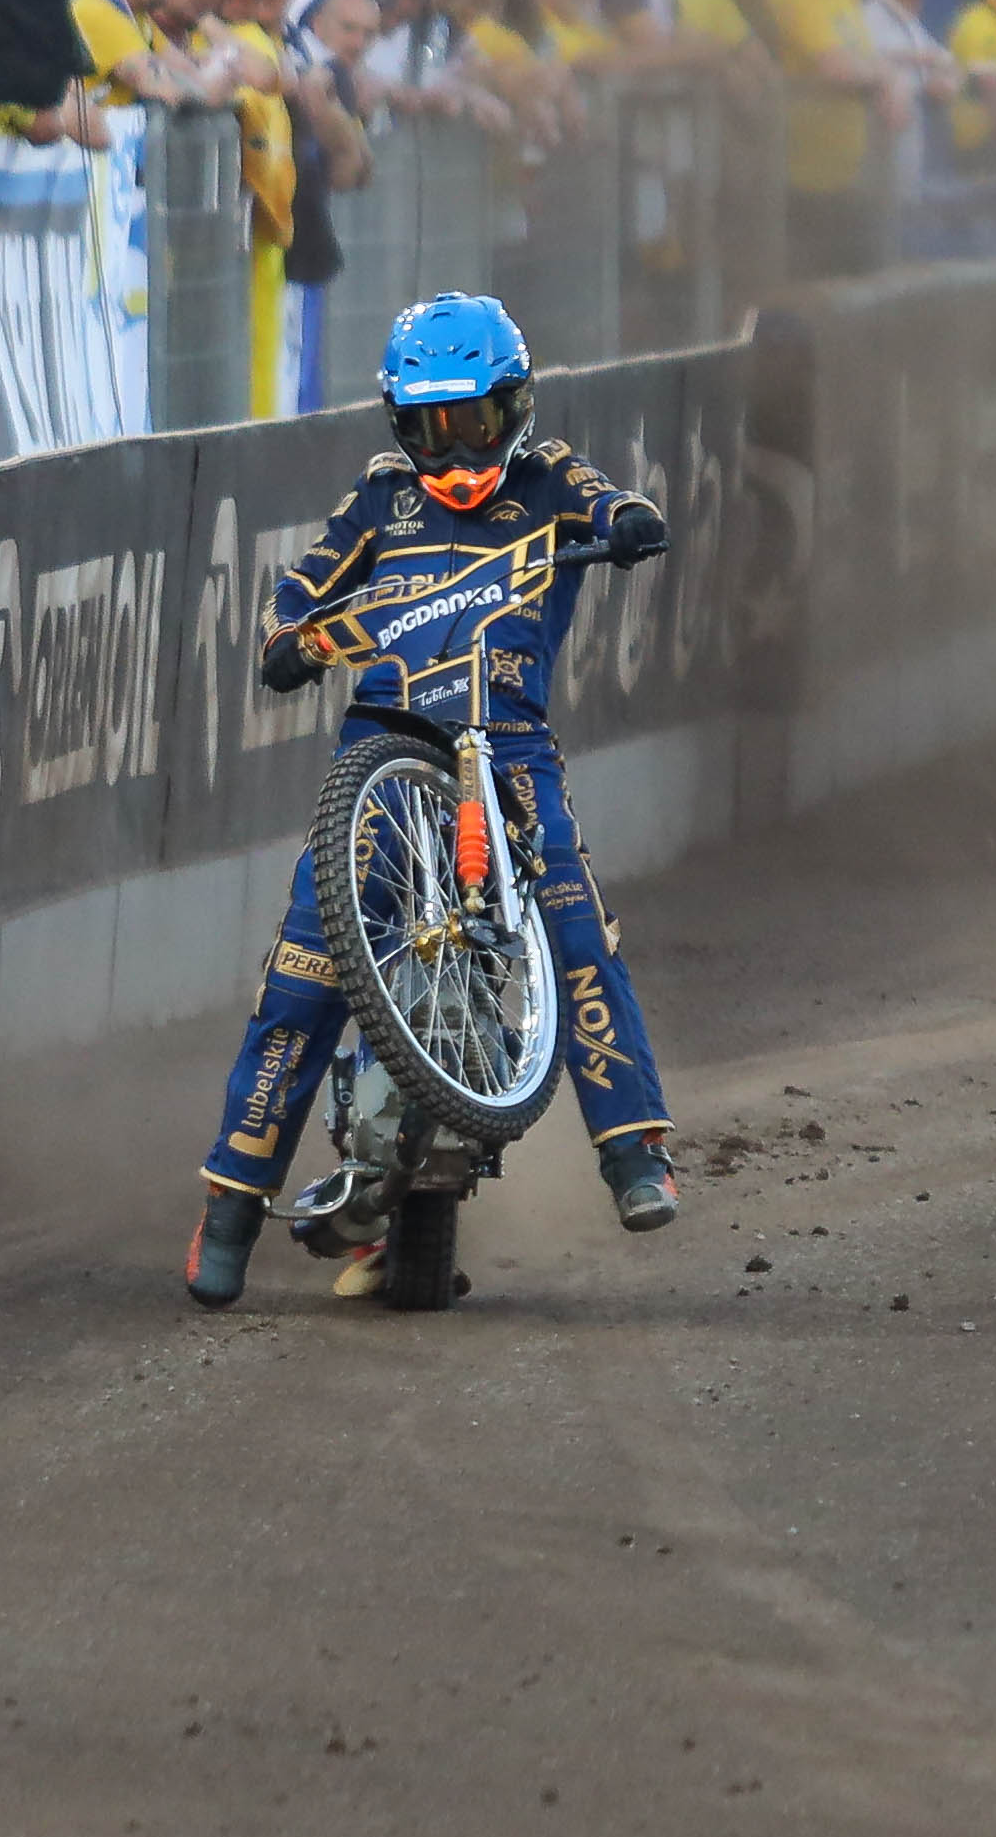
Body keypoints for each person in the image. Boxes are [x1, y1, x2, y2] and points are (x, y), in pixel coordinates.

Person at [186, 293, 686, 1304]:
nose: (455, 446)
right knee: (304, 969)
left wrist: (628, 523)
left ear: (518, 405)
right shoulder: (380, 497)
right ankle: (232, 1207)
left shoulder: (551, 476)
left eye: (475, 421)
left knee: (577, 929)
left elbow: (613, 506)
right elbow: (299, 594)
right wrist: (288, 640)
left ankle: (635, 1156)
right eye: (429, 427)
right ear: (397, 424)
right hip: (384, 744)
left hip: (508, 747)